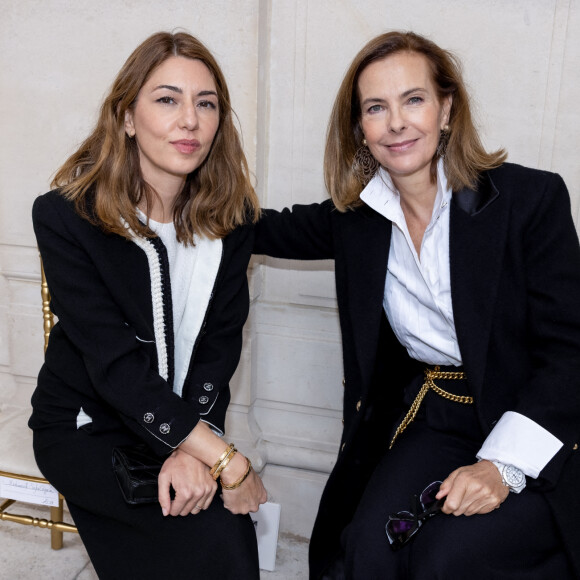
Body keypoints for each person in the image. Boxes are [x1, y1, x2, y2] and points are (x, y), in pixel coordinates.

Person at [254, 31, 580, 578]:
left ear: (446, 108)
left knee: (445, 557)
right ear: (361, 129)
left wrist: (502, 467)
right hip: (440, 412)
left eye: (414, 100)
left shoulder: (529, 201)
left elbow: (571, 353)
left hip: (534, 418)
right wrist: (163, 187)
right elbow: (260, 228)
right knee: (365, 546)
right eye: (376, 108)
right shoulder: (356, 221)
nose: (396, 123)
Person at [31, 31, 267, 579]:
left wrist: (197, 448)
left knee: (227, 538)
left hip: (183, 420)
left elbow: (218, 349)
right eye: (167, 99)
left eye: (206, 104)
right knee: (200, 539)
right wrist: (225, 459)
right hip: (89, 425)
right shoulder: (66, 218)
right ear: (128, 117)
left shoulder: (233, 220)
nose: (190, 120)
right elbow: (114, 365)